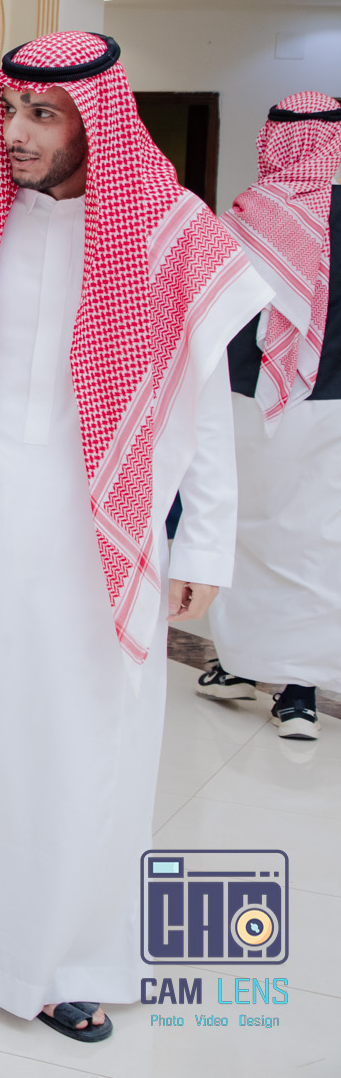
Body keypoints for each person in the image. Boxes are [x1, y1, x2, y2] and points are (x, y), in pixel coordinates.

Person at [0, 33, 269, 1042]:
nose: (15, 134)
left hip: (93, 537)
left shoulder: (170, 233)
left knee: (77, 742)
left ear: (96, 120)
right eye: (8, 112)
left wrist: (203, 545)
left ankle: (66, 961)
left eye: (42, 115)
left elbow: (203, 407)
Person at [200, 93, 341, 740]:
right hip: (326, 406)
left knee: (247, 532)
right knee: (310, 541)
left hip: (246, 401)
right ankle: (291, 688)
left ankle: (251, 667)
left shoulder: (243, 216)